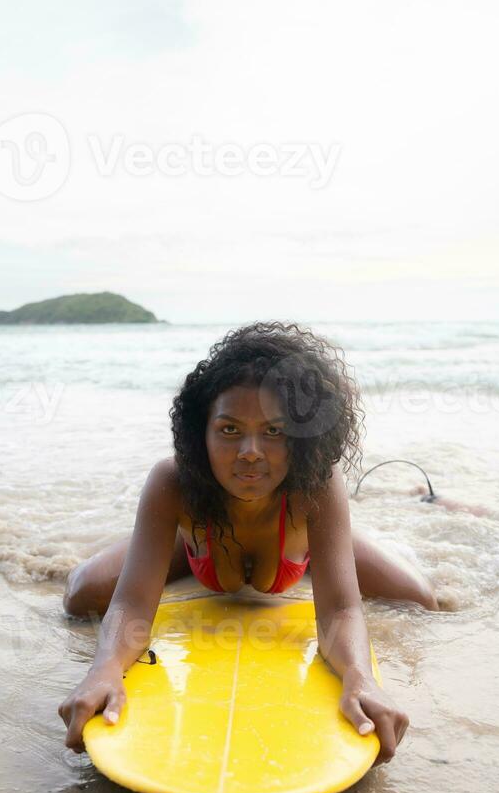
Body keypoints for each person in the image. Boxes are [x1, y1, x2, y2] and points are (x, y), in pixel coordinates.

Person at [58, 322, 438, 765]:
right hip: (196, 544)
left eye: (274, 432)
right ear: (201, 433)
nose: (251, 452)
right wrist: (104, 667)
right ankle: (160, 538)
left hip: (302, 544)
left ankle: (381, 521)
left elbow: (339, 610)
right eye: (230, 429)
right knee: (81, 592)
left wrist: (360, 675)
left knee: (422, 599)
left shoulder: (317, 484)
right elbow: (132, 606)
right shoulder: (172, 481)